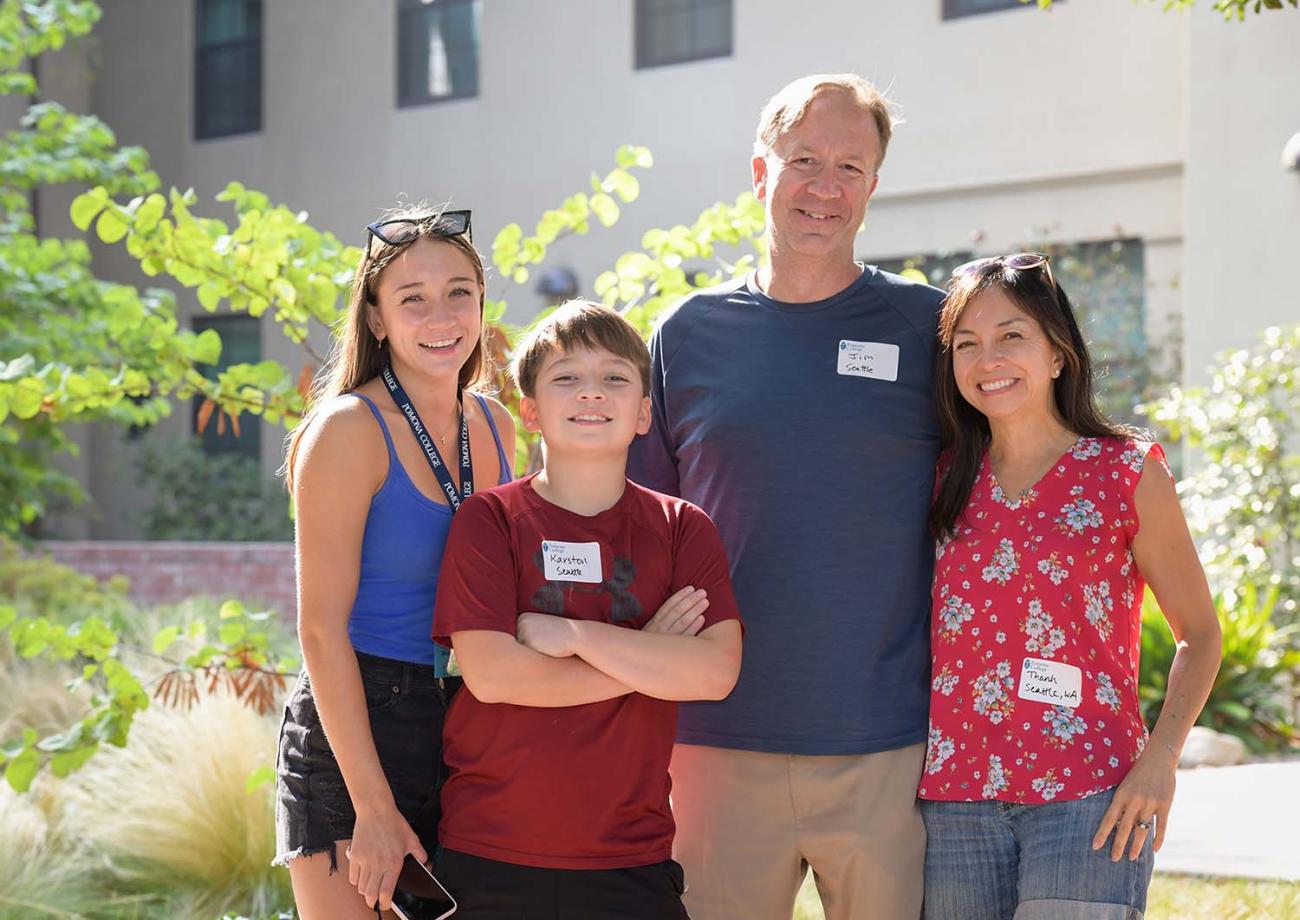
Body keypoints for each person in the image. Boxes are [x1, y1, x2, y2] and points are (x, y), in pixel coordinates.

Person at [627, 73, 943, 920]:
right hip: (716, 741)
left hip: (886, 741)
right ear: (761, 172)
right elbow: (642, 530)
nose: (826, 187)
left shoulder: (932, 330)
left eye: (851, 166)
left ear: (874, 185)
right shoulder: (686, 335)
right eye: (804, 159)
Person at [918, 253, 1222, 919]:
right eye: (966, 344)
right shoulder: (938, 480)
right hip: (952, 801)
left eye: (1011, 337)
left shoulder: (1125, 472)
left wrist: (1161, 760)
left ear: (1058, 353)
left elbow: (1199, 635)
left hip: (1090, 793)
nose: (987, 359)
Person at [431, 300, 744, 920]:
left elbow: (714, 674)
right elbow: (494, 677)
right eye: (566, 378)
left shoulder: (683, 528)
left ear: (644, 413)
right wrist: (650, 654)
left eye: (615, 378)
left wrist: (574, 634)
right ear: (531, 410)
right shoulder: (489, 521)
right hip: (491, 851)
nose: (591, 393)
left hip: (631, 857)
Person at [273, 206, 517, 918]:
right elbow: (319, 632)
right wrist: (372, 809)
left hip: (469, 721)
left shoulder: (495, 425)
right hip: (360, 725)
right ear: (377, 319)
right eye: (412, 298)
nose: (440, 315)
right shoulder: (348, 431)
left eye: (459, 292)